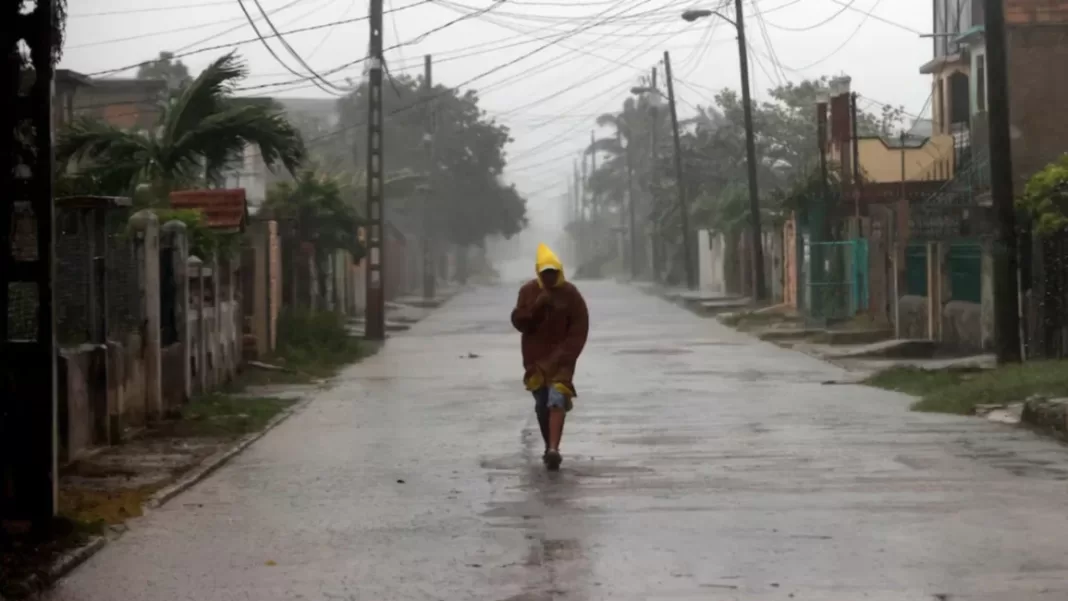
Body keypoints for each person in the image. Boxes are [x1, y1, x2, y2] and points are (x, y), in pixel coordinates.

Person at [510, 243, 589, 471]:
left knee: (557, 399)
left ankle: (554, 449)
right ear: (538, 272)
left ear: (560, 271)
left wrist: (567, 354)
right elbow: (520, 323)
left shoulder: (571, 294)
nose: (549, 278)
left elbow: (579, 328)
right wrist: (536, 306)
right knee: (542, 405)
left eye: (553, 273)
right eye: (545, 273)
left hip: (562, 360)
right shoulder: (528, 292)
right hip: (536, 360)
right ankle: (548, 446)